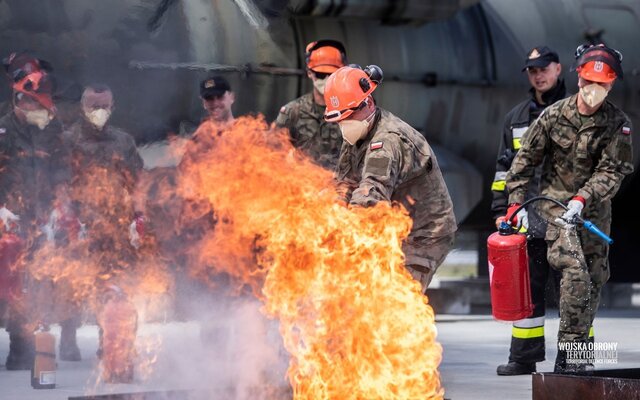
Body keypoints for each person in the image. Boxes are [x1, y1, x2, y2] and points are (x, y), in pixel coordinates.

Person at [505, 43, 633, 373]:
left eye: (602, 86)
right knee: (575, 276)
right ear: (579, 80)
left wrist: (583, 198)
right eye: (590, 83)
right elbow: (524, 161)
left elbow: (612, 171)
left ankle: (580, 359)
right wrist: (515, 203)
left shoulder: (618, 123)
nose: (595, 91)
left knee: (590, 285)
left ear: (611, 85)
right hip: (555, 214)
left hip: (591, 216)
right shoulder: (553, 116)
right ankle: (567, 365)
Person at [324, 65, 457, 292]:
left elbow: (371, 195)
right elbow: (344, 184)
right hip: (394, 228)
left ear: (368, 103)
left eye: (350, 116)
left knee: (396, 298)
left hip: (424, 234)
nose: (345, 125)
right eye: (340, 120)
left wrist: (341, 231)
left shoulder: (386, 141)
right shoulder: (356, 135)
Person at [492, 46, 566, 376]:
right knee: (528, 293)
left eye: (543, 68)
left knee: (573, 295)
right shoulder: (517, 118)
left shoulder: (575, 111)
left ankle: (575, 361)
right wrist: (501, 210)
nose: (538, 75)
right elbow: (504, 169)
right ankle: (523, 358)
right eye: (532, 70)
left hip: (566, 219)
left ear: (558, 69)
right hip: (529, 220)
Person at [61, 84, 144, 360]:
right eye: (93, 106)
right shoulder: (67, 141)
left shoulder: (123, 141)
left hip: (115, 226)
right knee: (73, 284)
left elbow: (137, 182)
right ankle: (68, 336)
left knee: (116, 284)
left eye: (104, 106)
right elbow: (59, 183)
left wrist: (138, 217)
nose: (99, 111)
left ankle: (110, 340)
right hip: (79, 224)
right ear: (82, 107)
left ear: (112, 107)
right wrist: (66, 217)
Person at [0, 68, 69, 370]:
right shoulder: (2, 132)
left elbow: (62, 169)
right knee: (6, 284)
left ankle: (22, 346)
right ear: (20, 102)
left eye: (43, 105)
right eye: (35, 104)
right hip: (7, 220)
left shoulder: (51, 130)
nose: (40, 110)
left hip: (39, 219)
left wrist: (58, 207)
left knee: (31, 285)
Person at [275, 40, 346, 169]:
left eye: (331, 75)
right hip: (303, 185)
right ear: (309, 73)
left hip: (340, 187)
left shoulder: (351, 111)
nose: (325, 79)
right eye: (320, 74)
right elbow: (271, 151)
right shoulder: (292, 111)